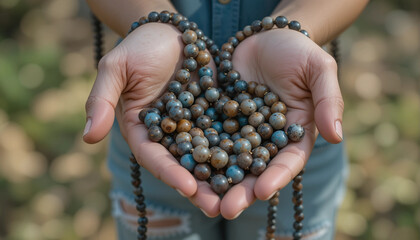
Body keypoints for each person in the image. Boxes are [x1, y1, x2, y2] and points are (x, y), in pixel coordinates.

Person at [83, 0, 368, 239]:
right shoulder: (170, 120)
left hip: (300, 109)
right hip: (149, 110)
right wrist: (149, 20)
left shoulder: (274, 122)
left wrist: (299, 25)